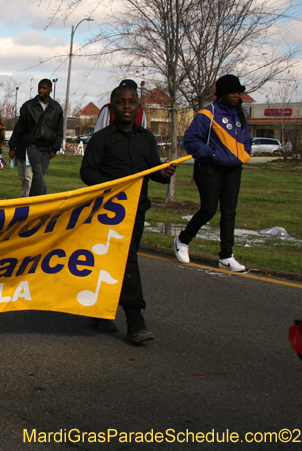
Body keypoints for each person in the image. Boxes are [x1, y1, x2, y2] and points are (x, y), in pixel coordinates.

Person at [80, 79, 176, 344]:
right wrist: (112, 188)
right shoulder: (101, 139)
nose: (127, 106)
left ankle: (100, 311)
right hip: (107, 213)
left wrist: (163, 173)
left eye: (132, 102)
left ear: (138, 107)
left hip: (136, 212)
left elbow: (152, 171)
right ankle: (135, 320)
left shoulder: (146, 139)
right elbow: (87, 172)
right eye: (121, 102)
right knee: (123, 261)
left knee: (121, 260)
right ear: (112, 107)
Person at [174, 74, 252, 272]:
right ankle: (182, 240)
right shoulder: (208, 113)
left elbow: (247, 140)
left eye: (238, 92)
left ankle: (226, 256)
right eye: (232, 92)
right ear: (222, 94)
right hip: (209, 168)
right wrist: (213, 154)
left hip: (233, 170)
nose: (236, 96)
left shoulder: (240, 115)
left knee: (229, 212)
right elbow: (191, 140)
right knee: (208, 210)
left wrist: (245, 154)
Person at [8, 79, 64, 196]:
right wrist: (13, 146)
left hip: (47, 148)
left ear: (50, 90)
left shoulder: (56, 108)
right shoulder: (29, 106)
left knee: (39, 176)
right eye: (39, 88)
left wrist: (55, 149)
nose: (41, 90)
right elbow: (20, 127)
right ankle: (40, 200)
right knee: (37, 174)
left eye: (44, 88)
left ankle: (33, 200)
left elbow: (59, 130)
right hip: (32, 146)